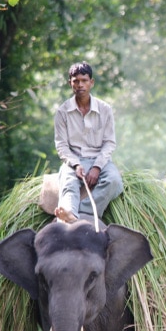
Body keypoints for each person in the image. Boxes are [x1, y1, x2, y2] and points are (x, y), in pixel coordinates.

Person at [53, 61, 124, 223]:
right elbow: (62, 145)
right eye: (76, 81)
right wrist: (76, 164)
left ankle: (86, 211)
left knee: (114, 181)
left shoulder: (105, 109)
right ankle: (68, 214)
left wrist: (97, 167)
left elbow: (109, 143)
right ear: (70, 83)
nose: (80, 85)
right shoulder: (62, 112)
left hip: (100, 160)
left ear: (91, 82)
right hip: (74, 160)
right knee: (68, 182)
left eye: (84, 80)